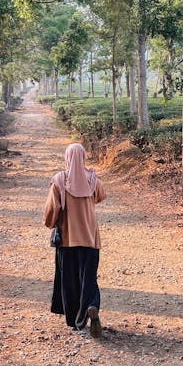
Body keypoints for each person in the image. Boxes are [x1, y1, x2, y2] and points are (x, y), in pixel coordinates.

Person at [44, 142, 107, 337]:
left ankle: (75, 321)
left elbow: (51, 211)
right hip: (89, 239)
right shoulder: (93, 180)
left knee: (70, 281)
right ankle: (91, 306)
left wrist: (51, 223)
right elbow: (100, 196)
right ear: (84, 157)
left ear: (67, 158)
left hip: (68, 241)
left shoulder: (59, 181)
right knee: (89, 279)